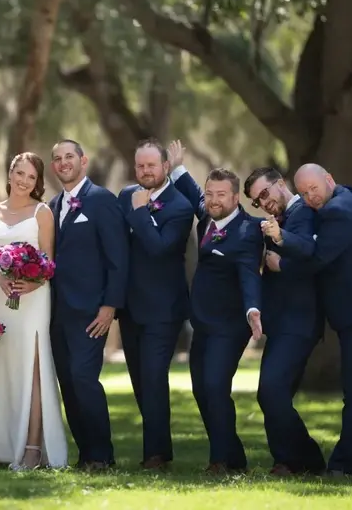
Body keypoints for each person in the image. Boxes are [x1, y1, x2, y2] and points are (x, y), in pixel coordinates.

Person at [266, 163, 352, 476]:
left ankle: (343, 465)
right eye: (303, 193)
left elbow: (317, 257)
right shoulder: (349, 199)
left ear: (329, 179)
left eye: (313, 189)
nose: (310, 197)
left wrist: (280, 265)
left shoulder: (338, 211)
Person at [168, 140, 263, 473]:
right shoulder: (208, 216)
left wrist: (252, 309)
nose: (213, 199)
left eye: (221, 195)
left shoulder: (249, 231)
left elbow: (250, 272)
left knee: (215, 388)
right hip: (204, 323)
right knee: (200, 390)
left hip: (231, 324)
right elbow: (193, 191)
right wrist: (178, 166)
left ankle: (220, 460)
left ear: (235, 198)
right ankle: (235, 458)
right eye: (210, 194)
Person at [0, 152, 68, 470]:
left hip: (32, 297)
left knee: (33, 366)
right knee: (1, 365)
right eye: (20, 173)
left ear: (37, 182)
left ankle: (32, 447)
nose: (24, 181)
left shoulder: (42, 212)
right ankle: (0, 444)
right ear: (10, 173)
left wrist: (31, 283)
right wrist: (0, 281)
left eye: (31, 177)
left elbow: (48, 261)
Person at [47, 139, 128, 471]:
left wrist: (110, 306)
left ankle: (102, 454)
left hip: (90, 312)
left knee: (83, 378)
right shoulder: (52, 206)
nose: (64, 162)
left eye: (70, 156)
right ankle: (86, 455)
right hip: (56, 313)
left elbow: (118, 259)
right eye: (57, 159)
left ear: (84, 161)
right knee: (68, 382)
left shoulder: (101, 201)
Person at [117, 138, 194, 470]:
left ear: (165, 167)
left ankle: (156, 455)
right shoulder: (125, 196)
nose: (145, 171)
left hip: (163, 309)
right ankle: (158, 445)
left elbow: (159, 248)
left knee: (153, 377)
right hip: (129, 307)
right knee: (139, 380)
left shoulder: (180, 207)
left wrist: (138, 213)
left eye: (151, 165)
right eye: (140, 166)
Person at [244, 167, 326, 476]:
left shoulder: (305, 211)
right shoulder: (276, 220)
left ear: (281, 183)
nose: (263, 203)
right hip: (281, 323)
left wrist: (281, 259)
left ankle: (304, 460)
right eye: (257, 201)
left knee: (271, 391)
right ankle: (288, 460)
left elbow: (313, 255)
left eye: (265, 193)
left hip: (300, 320)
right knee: (273, 394)